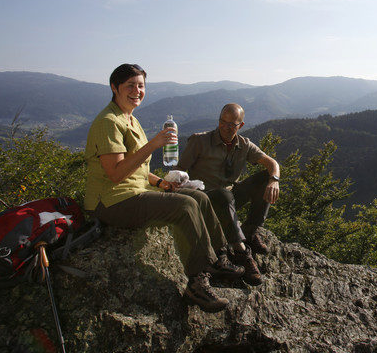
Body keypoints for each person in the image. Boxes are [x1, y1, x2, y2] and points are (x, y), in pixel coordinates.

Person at [84, 64, 243, 313]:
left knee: (199, 197)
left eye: (141, 86)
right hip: (111, 201)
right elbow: (115, 173)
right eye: (130, 85)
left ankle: (219, 258)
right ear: (114, 87)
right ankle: (197, 282)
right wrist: (153, 144)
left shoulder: (130, 119)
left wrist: (160, 183)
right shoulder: (108, 122)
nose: (137, 91)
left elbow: (135, 167)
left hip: (134, 191)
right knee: (185, 205)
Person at [175, 103, 280, 286]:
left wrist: (274, 181)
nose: (226, 127)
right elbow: (179, 169)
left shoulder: (244, 145)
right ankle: (241, 252)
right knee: (223, 195)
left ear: (241, 125)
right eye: (223, 122)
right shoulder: (199, 141)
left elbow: (272, 164)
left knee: (265, 178)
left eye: (232, 124)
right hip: (205, 200)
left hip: (229, 199)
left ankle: (250, 231)